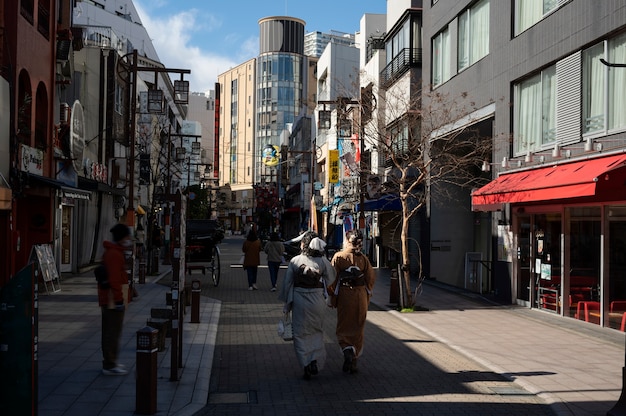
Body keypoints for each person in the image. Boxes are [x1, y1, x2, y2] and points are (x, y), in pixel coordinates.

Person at [279, 232, 336, 380]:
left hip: (299, 298)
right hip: (317, 299)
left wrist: (287, 303)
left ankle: (305, 363)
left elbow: (287, 283)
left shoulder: (295, 260)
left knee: (300, 333)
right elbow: (330, 278)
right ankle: (314, 359)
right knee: (316, 330)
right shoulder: (323, 261)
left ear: (303, 244)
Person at [328, 229, 376, 374]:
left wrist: (332, 295)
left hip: (345, 294)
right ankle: (354, 359)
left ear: (347, 240)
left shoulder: (339, 257)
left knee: (344, 325)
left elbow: (332, 278)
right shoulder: (363, 258)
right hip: (360, 294)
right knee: (358, 326)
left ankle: (346, 349)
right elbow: (371, 279)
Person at [99, 223, 132, 375]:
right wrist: (119, 300)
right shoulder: (114, 254)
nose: (129, 239)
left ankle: (111, 361)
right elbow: (114, 280)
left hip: (114, 297)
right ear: (121, 237)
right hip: (112, 298)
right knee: (112, 331)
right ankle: (110, 364)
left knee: (112, 330)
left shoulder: (116, 252)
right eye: (127, 236)